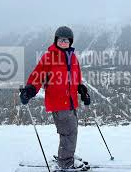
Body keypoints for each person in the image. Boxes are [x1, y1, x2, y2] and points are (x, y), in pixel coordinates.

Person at [19, 26, 91, 170]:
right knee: (69, 131)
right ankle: (66, 162)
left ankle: (67, 154)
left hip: (70, 101)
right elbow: (37, 75)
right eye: (61, 40)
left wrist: (81, 89)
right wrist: (30, 89)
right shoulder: (49, 57)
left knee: (72, 130)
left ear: (70, 42)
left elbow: (75, 77)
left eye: (67, 40)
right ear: (56, 40)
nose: (64, 42)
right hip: (58, 102)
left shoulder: (72, 57)